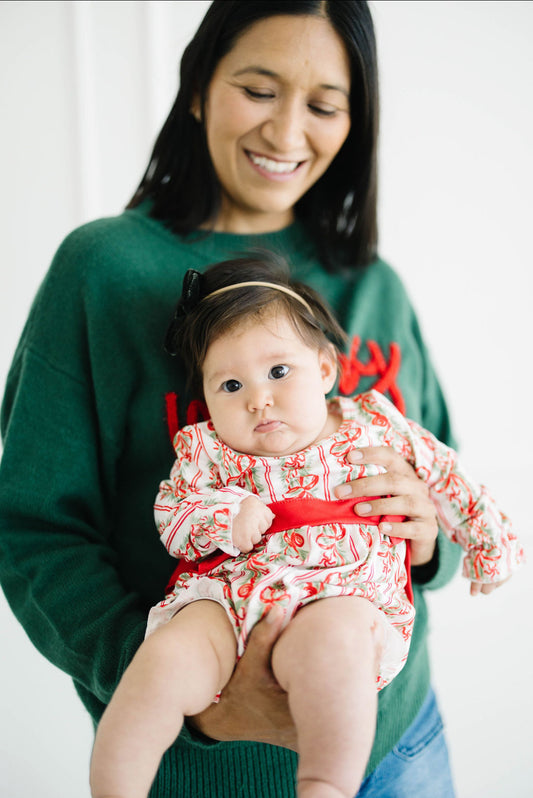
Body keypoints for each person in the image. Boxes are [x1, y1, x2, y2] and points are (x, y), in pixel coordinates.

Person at [0, 1, 500, 795]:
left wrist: (427, 536)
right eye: (259, 89)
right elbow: (33, 527)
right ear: (198, 86)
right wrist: (189, 694)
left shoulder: (372, 286)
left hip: (398, 750)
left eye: (324, 104)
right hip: (196, 764)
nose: (286, 133)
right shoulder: (102, 271)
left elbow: (440, 491)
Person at [89, 255, 523, 798]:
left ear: (323, 369)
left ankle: (324, 786)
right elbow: (173, 515)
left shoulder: (374, 421)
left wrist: (486, 538)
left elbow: (444, 472)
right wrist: (224, 516)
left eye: (278, 371)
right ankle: (116, 787)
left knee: (336, 646)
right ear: (204, 395)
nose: (257, 399)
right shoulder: (207, 449)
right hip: (227, 599)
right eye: (229, 385)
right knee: (163, 661)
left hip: (341, 593)